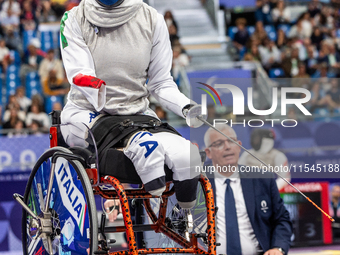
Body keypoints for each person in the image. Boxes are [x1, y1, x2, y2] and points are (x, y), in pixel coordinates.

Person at [59, 0, 201, 211]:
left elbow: (161, 82)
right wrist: (99, 88)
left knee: (187, 155)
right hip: (87, 113)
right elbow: (79, 73)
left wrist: (186, 106)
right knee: (146, 150)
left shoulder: (152, 19)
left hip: (137, 115)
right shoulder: (73, 18)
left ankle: (184, 217)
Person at [204, 124, 292, 255]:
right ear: (208, 153)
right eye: (219, 143)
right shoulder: (197, 183)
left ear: (239, 145)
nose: (228, 147)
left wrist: (277, 248)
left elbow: (281, 219)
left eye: (231, 141)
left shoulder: (263, 179)